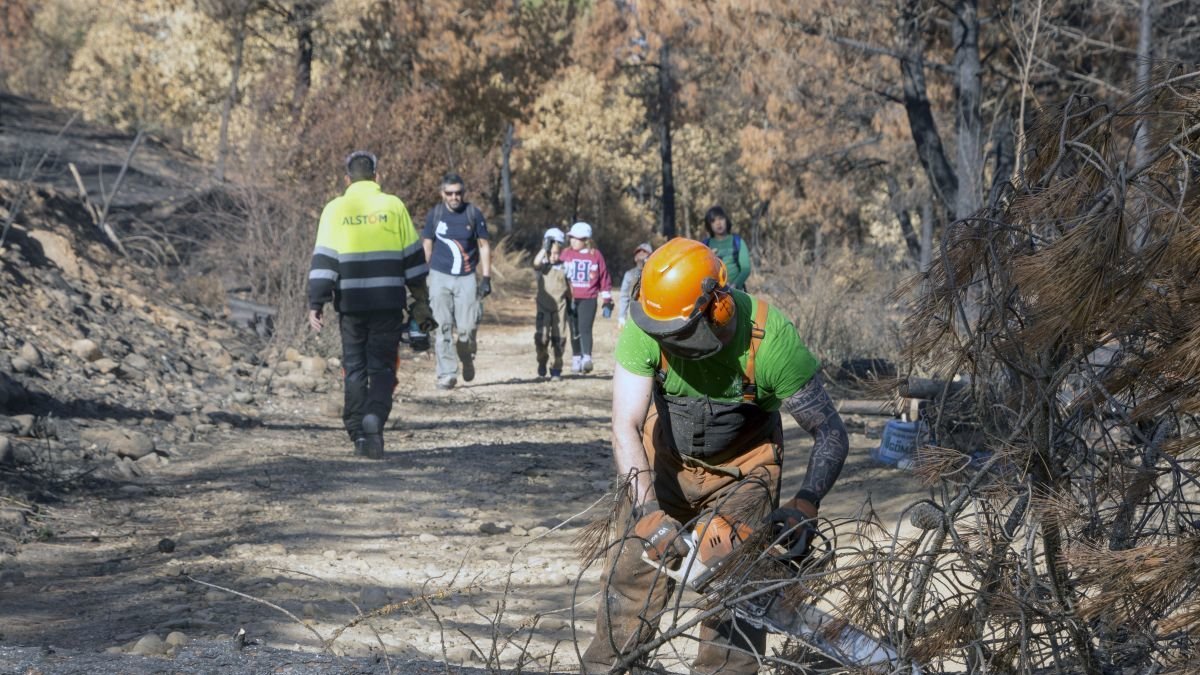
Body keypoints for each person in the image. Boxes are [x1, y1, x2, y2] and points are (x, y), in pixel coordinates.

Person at [581, 237, 848, 675]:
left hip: (745, 471)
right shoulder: (650, 324)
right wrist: (648, 511)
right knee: (632, 573)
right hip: (666, 464)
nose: (671, 344)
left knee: (733, 588)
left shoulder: (769, 340)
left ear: (718, 307)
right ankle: (609, 669)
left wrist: (805, 503)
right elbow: (625, 425)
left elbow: (830, 432)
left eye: (681, 335)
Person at [307, 150, 432, 459]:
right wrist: (421, 300)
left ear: (347, 179)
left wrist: (316, 302)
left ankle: (358, 432)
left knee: (354, 368)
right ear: (378, 176)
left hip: (351, 305)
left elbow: (324, 261)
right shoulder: (394, 206)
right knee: (382, 368)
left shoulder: (335, 209)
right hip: (388, 303)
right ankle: (374, 418)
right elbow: (414, 260)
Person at [422, 172, 491, 390]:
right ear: (442, 194)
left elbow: (484, 246)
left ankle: (467, 356)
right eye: (450, 193)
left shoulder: (473, 214)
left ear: (463, 193)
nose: (454, 197)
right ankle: (447, 374)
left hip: (466, 277)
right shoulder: (435, 214)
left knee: (466, 330)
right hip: (439, 276)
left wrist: (487, 277)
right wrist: (423, 274)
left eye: (458, 193)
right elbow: (427, 244)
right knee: (442, 327)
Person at [560, 221, 612, 374]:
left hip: (588, 298)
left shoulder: (595, 255)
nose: (573, 241)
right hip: (570, 298)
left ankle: (587, 358)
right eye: (571, 238)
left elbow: (603, 277)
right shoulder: (566, 254)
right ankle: (576, 357)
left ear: (586, 240)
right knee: (573, 328)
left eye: (577, 238)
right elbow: (558, 274)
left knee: (585, 328)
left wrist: (607, 299)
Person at [532, 227, 571, 380]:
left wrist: (572, 303)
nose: (554, 256)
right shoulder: (542, 266)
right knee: (541, 338)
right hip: (543, 307)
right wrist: (545, 248)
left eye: (557, 253)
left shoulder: (564, 266)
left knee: (559, 338)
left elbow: (569, 286)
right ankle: (542, 361)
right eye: (551, 252)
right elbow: (535, 263)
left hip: (560, 308)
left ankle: (556, 368)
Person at [702, 205, 751, 291]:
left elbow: (745, 269)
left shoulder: (737, 241)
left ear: (726, 220)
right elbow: (700, 269)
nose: (718, 223)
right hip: (713, 292)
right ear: (709, 225)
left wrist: (735, 285)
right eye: (713, 221)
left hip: (736, 291)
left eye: (721, 218)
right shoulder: (705, 245)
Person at [616, 242, 653, 329]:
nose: (641, 254)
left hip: (651, 317)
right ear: (635, 258)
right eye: (638, 252)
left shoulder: (655, 274)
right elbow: (624, 297)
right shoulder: (629, 274)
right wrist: (621, 317)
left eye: (644, 252)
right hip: (633, 317)